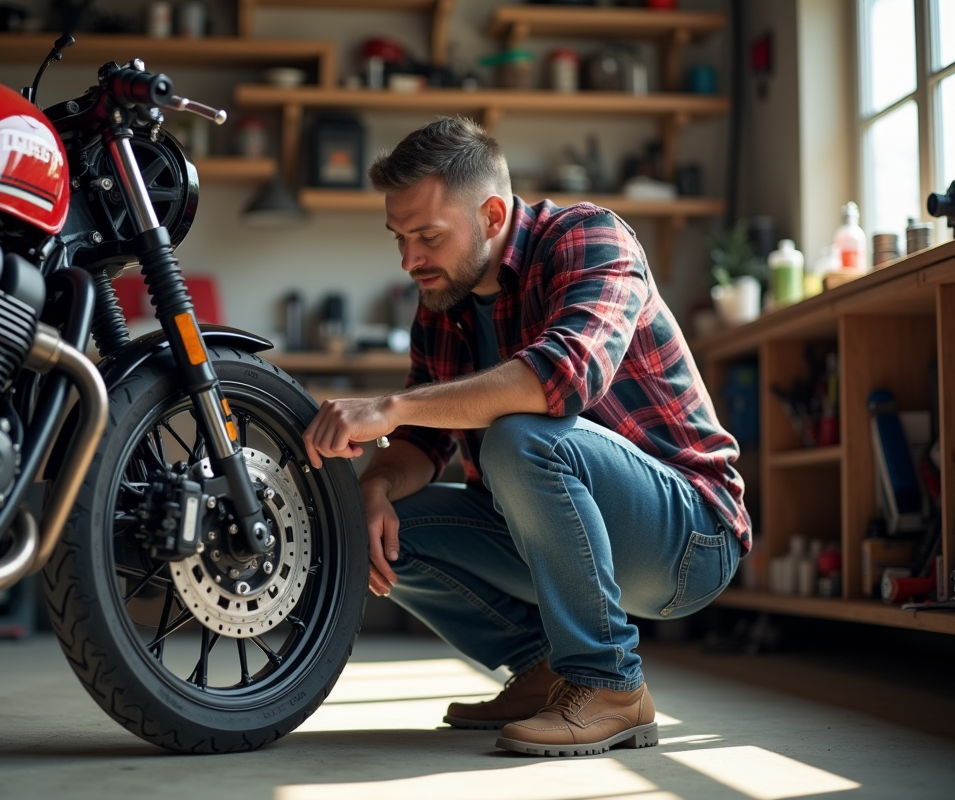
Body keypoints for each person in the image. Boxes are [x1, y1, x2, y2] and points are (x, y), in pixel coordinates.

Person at [301, 117, 750, 758]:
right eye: (398, 238)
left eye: (427, 236)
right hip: (539, 524)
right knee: (365, 521)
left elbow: (560, 382)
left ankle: (610, 684)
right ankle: (544, 670)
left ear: (490, 214)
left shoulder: (590, 238)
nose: (409, 261)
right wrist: (373, 486)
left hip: (687, 536)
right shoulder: (441, 301)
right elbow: (423, 448)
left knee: (518, 435)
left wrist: (391, 407)